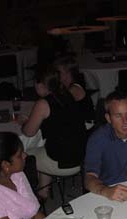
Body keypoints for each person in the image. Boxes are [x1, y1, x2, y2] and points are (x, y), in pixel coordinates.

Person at [21, 66, 87, 199]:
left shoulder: (43, 103)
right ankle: (43, 192)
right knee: (46, 148)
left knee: (24, 154)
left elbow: (28, 132)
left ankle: (26, 197)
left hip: (62, 161)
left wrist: (23, 122)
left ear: (40, 85)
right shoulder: (68, 95)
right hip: (82, 156)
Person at [54, 55, 95, 122]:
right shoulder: (65, 85)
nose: (56, 74)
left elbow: (59, 106)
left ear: (68, 72)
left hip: (86, 123)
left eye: (59, 72)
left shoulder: (74, 89)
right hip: (78, 121)